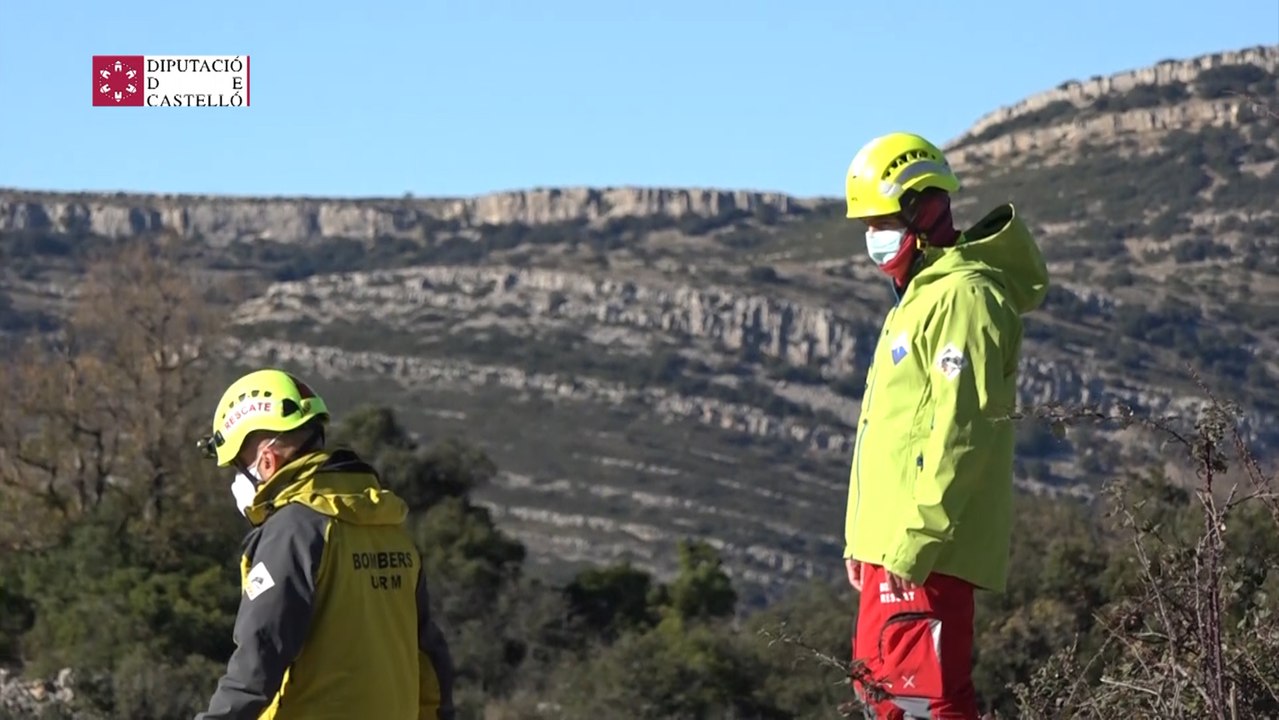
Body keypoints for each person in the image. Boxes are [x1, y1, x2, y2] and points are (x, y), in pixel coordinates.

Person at [840, 132, 1049, 719]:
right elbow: (895, 432)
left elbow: (963, 432)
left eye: (879, 221)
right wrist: (864, 538)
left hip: (924, 552)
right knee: (885, 701)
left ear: (921, 209)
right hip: (893, 549)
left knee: (923, 702)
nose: (871, 238)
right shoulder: (918, 298)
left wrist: (913, 544)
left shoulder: (965, 296)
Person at [193, 368, 456, 720]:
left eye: (239, 468)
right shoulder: (390, 527)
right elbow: (429, 658)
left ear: (267, 462)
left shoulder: (293, 531)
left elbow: (259, 657)